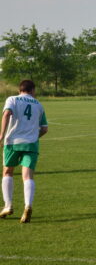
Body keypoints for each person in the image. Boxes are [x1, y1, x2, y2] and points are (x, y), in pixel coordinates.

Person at [0, 80, 48, 223]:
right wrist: (33, 136)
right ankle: (28, 206)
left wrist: (1, 135)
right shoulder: (38, 105)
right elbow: (44, 129)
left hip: (12, 142)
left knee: (7, 172)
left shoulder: (12, 99)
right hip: (31, 144)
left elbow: (7, 114)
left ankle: (8, 206)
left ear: (20, 89)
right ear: (32, 90)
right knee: (27, 176)